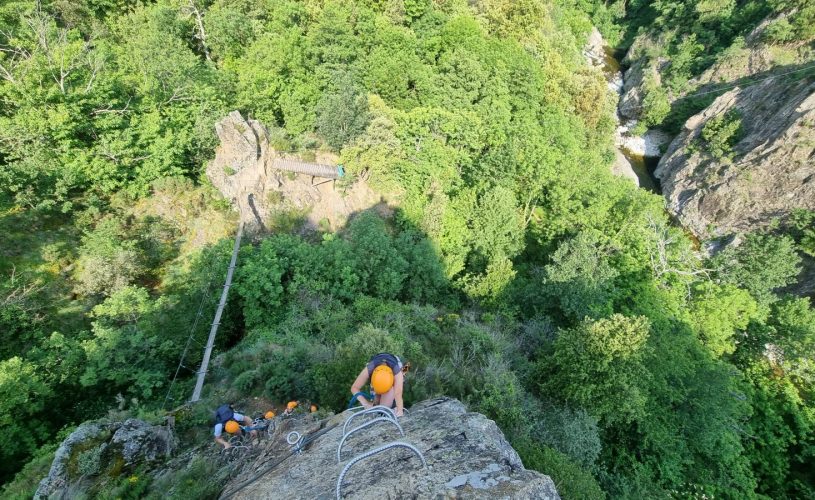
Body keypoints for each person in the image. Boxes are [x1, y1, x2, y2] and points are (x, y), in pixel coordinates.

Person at [350, 353, 407, 417]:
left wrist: (400, 410)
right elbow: (354, 388)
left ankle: (391, 405)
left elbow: (398, 393)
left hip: (398, 369)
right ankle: (379, 403)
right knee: (377, 404)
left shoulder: (397, 372)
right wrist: (365, 403)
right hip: (378, 370)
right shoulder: (370, 368)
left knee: (384, 407)